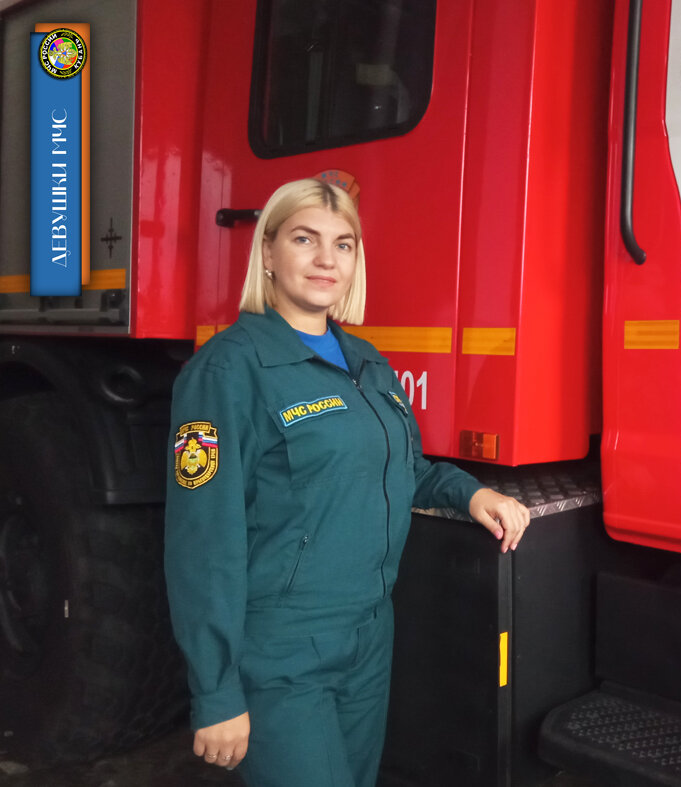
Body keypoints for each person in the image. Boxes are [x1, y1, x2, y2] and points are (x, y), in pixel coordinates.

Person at [164, 178, 530, 787]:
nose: (326, 260)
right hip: (281, 647)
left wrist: (471, 492)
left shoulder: (366, 361)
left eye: (343, 244)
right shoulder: (228, 370)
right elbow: (202, 540)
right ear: (267, 252)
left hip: (368, 636)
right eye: (304, 239)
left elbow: (402, 468)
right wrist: (216, 690)